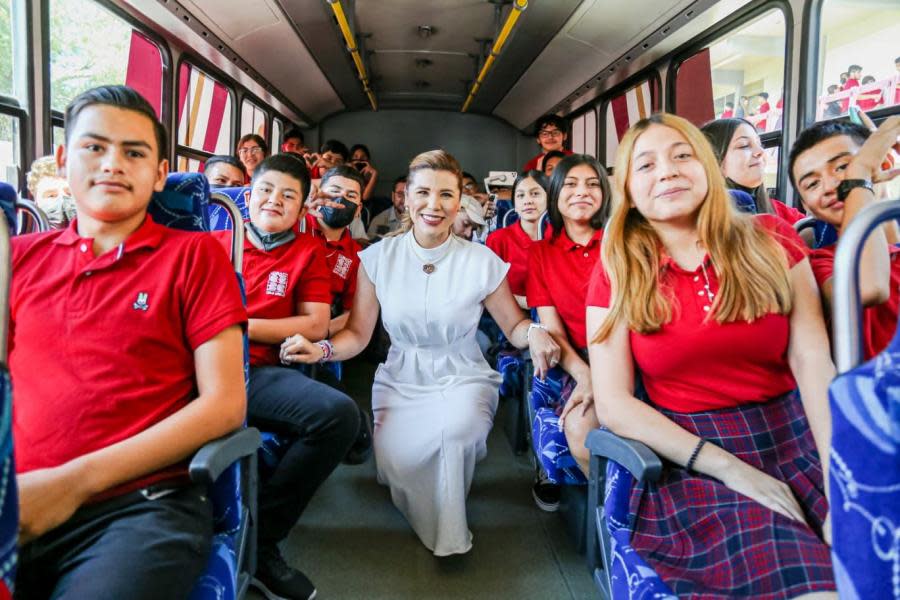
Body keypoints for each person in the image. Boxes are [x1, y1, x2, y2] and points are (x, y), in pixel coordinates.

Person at [11, 85, 247, 599]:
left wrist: (72, 484)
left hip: (140, 507)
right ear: (61, 159)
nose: (112, 164)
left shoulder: (195, 256)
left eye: (134, 152)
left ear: (160, 173)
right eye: (94, 147)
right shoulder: (17, 258)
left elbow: (226, 405)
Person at [586, 113, 836, 597]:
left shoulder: (772, 240)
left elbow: (812, 362)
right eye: (647, 164)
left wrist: (840, 472)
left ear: (706, 167)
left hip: (800, 428)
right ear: (630, 191)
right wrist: (730, 469)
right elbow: (615, 405)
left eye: (682, 156)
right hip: (694, 451)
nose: (668, 171)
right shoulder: (617, 270)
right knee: (813, 585)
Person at [280, 149, 560, 556]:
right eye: (424, 193)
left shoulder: (482, 261)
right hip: (402, 374)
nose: (435, 205)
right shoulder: (376, 259)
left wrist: (535, 332)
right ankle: (410, 475)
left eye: (446, 195)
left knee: (450, 439)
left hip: (463, 372)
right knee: (399, 463)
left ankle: (449, 535)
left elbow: (514, 326)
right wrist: (320, 349)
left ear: (458, 202)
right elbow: (358, 335)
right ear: (407, 198)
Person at [212, 154, 360, 600]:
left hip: (256, 368)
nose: (274, 200)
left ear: (302, 209)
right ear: (247, 195)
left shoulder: (307, 251)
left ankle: (263, 538)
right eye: (265, 190)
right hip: (198, 368)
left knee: (339, 415)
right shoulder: (213, 243)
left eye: (288, 195)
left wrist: (238, 326)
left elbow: (315, 324)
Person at [526, 154, 610, 510]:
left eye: (592, 184)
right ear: (556, 194)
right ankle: (612, 516)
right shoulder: (542, 254)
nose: (582, 192)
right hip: (577, 357)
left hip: (629, 356)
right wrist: (585, 375)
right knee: (580, 430)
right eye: (571, 184)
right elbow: (553, 330)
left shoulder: (619, 243)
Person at [789, 116, 900, 360]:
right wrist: (858, 175)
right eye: (812, 184)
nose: (829, 186)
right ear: (807, 205)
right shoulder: (819, 265)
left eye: (842, 167)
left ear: (884, 163)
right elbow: (868, 288)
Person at [701, 117, 806, 223]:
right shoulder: (708, 223)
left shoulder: (780, 211)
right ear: (716, 164)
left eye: (760, 144)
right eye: (744, 146)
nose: (760, 151)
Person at [301, 165, 364, 337]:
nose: (340, 199)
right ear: (319, 194)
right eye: (334, 191)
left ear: (358, 209)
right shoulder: (294, 224)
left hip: (317, 333)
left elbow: (351, 312)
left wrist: (320, 332)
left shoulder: (357, 256)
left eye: (350, 196)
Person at [486, 170, 548, 309]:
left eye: (535, 193)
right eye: (520, 195)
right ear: (514, 203)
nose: (528, 201)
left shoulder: (559, 237)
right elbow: (488, 290)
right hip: (511, 316)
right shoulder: (498, 240)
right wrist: (529, 303)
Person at [25, 155, 76, 229]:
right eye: (51, 196)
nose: (62, 201)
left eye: (70, 194)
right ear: (36, 202)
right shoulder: (29, 240)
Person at [368, 176, 406, 240]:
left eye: (408, 194)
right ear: (393, 196)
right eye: (400, 194)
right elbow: (372, 246)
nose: (404, 200)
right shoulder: (379, 220)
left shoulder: (420, 221)